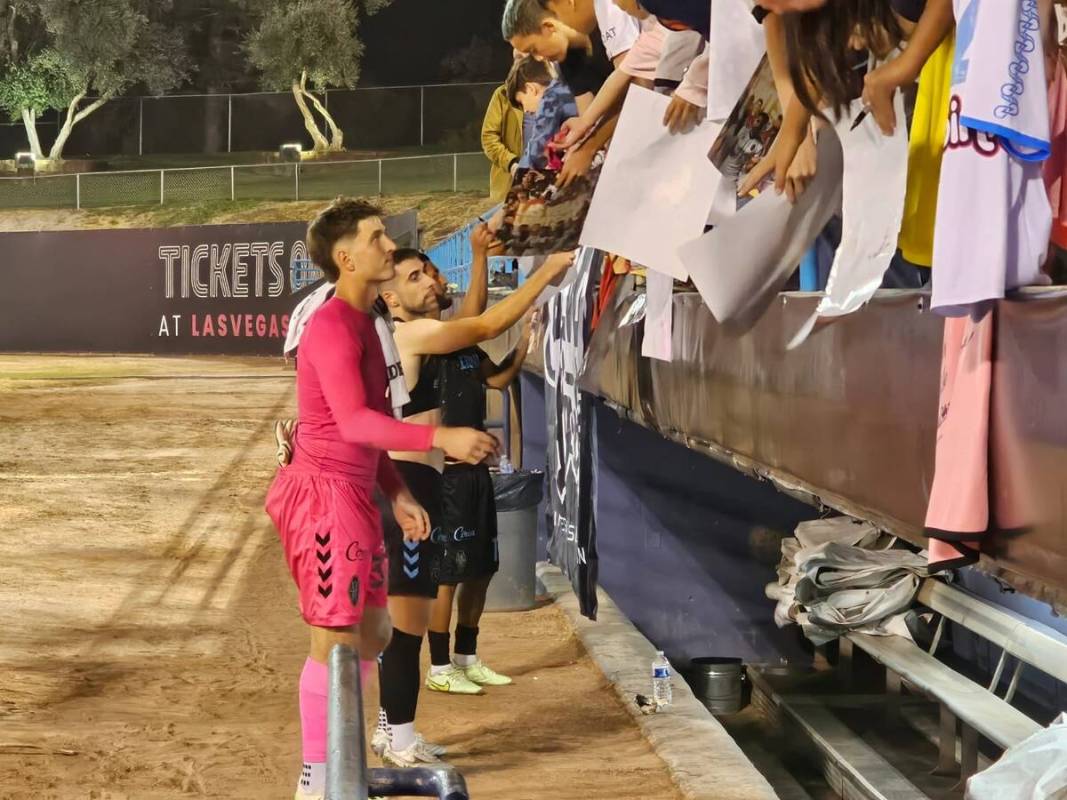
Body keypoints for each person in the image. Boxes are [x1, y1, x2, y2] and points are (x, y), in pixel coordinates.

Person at [263, 197, 498, 800]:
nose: (388, 247)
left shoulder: (368, 323)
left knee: (372, 636)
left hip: (356, 494)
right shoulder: (334, 326)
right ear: (345, 258)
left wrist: (394, 491)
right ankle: (319, 777)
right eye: (376, 239)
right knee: (338, 642)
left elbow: (368, 427)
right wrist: (439, 435)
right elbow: (354, 423)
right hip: (324, 499)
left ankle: (340, 764)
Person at [372, 232, 575, 768]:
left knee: (397, 617)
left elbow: (473, 327)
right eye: (413, 277)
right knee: (407, 622)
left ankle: (387, 728)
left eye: (426, 273)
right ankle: (401, 738)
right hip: (407, 485)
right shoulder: (408, 334)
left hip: (413, 480)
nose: (428, 281)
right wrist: (547, 271)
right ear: (389, 296)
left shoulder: (409, 333)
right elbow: (483, 324)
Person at [422, 241, 537, 695]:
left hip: (475, 476)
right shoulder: (428, 339)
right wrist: (480, 255)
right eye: (428, 274)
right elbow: (475, 310)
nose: (438, 281)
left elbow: (499, 379)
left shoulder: (467, 352)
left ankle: (467, 657)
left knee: (481, 568)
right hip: (445, 476)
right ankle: (438, 666)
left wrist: (527, 337)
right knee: (447, 573)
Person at [482, 71, 526, 203]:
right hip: (507, 189)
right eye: (516, 57)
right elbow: (488, 137)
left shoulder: (554, 95)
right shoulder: (502, 94)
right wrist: (511, 163)